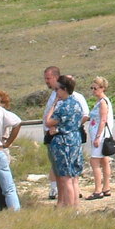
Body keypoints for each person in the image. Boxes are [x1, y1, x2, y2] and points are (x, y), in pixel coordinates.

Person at [45, 74, 88, 208]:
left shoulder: (64, 106)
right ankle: (75, 207)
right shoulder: (76, 103)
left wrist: (54, 104)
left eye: (57, 89)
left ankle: (69, 207)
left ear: (64, 89)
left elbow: (48, 121)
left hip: (64, 143)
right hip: (75, 139)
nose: (56, 92)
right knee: (74, 177)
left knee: (66, 178)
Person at [86, 76, 114, 200]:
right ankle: (106, 187)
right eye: (92, 88)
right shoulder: (101, 101)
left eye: (95, 88)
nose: (93, 90)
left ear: (102, 88)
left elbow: (103, 120)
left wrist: (98, 137)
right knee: (104, 160)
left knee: (95, 161)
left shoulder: (103, 102)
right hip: (99, 135)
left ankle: (98, 189)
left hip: (100, 137)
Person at [41, 66, 62, 200]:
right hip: (49, 134)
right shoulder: (53, 94)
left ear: (56, 77)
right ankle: (54, 188)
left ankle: (61, 190)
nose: (46, 81)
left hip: (56, 135)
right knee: (53, 162)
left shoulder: (61, 95)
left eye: (48, 78)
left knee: (59, 163)